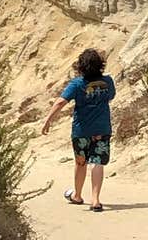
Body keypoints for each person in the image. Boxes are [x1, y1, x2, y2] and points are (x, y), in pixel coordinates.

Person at [41, 47, 116, 211]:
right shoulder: (108, 82)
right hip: (102, 129)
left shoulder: (77, 84)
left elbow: (60, 102)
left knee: (80, 162)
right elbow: (110, 97)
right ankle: (96, 200)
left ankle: (77, 195)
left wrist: (48, 120)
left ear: (81, 67)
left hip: (81, 130)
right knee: (97, 163)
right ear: (100, 65)